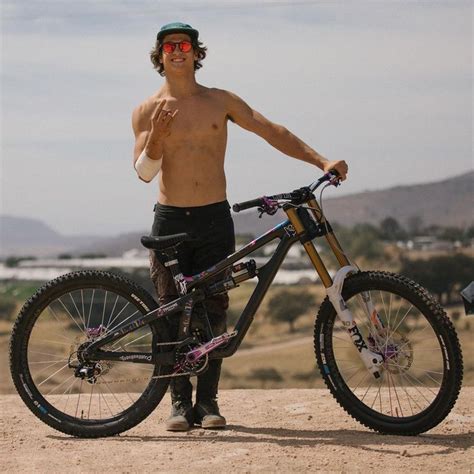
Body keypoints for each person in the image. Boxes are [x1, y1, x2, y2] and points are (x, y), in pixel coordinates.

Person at [131, 22, 348, 432]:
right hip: (170, 219)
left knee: (214, 310)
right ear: (159, 56)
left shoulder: (220, 101)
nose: (178, 51)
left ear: (197, 53)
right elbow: (144, 171)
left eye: (185, 45)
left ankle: (208, 402)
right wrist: (157, 137)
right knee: (170, 312)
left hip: (214, 217)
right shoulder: (146, 110)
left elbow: (271, 131)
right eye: (169, 46)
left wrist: (321, 161)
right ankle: (178, 404)